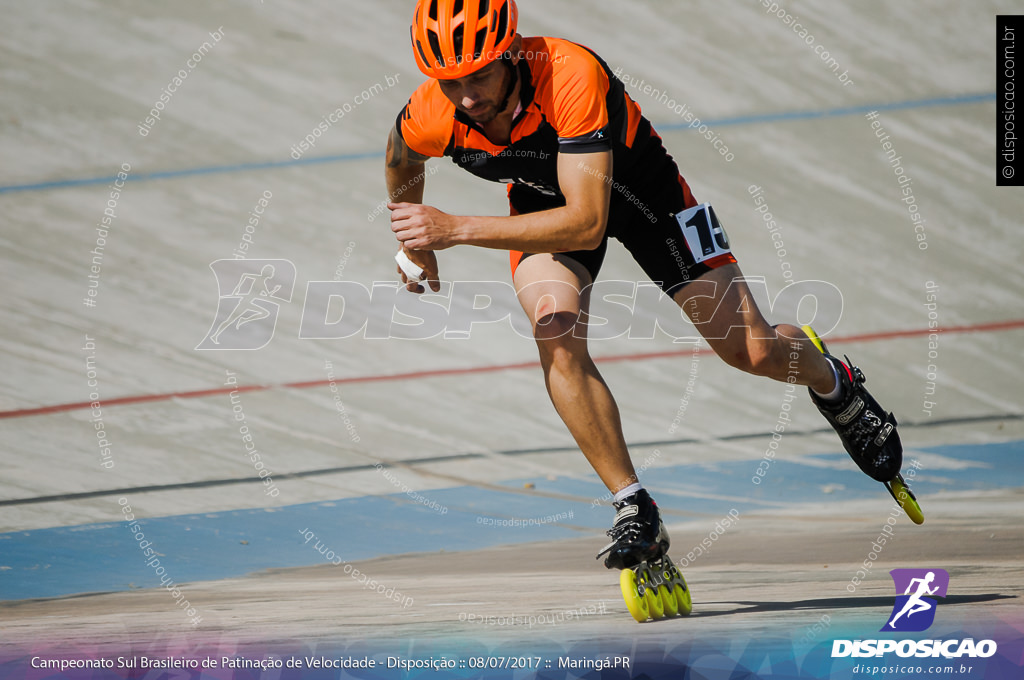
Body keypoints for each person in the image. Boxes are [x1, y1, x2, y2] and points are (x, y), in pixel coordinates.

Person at [385, 0, 902, 572]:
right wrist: (414, 245)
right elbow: (400, 152)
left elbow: (587, 221)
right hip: (542, 206)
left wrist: (454, 229)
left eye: (478, 75)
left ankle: (834, 380)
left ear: (510, 52)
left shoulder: (569, 73)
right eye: (450, 81)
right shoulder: (434, 108)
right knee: (553, 330)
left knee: (751, 351)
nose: (465, 97)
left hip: (650, 202)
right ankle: (633, 505)